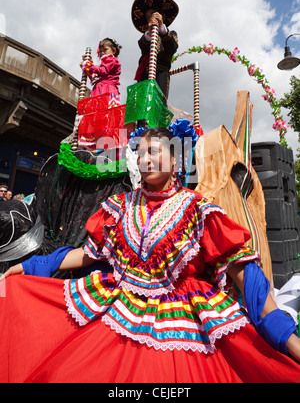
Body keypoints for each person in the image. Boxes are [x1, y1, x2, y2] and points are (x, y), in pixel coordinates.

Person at [1, 122, 300, 383]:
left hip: (182, 327)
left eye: (155, 151)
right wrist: (31, 267)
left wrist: (286, 337)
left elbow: (247, 277)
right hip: (118, 311)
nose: (146, 159)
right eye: (140, 153)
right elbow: (87, 254)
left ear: (175, 158)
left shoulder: (199, 210)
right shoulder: (119, 207)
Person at [132, 0, 179, 106]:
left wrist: (161, 28)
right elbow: (142, 46)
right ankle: (141, 124)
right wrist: (150, 30)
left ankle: (158, 124)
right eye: (149, 17)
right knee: (142, 104)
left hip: (161, 72)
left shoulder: (170, 33)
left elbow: (172, 47)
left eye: (155, 14)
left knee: (158, 102)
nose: (152, 18)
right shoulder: (146, 37)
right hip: (144, 74)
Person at [80, 37, 122, 107]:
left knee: (105, 110)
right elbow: (94, 76)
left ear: (113, 51)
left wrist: (89, 66)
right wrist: (88, 64)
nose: (102, 53)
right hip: (98, 89)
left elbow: (103, 71)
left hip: (107, 89)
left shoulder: (113, 61)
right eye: (100, 51)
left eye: (105, 50)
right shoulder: (101, 65)